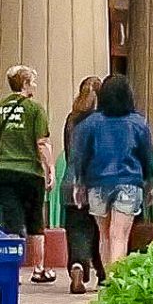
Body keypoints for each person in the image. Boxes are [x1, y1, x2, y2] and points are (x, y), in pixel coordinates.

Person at [70, 70, 153, 279]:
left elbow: (80, 155)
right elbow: (146, 155)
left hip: (97, 183)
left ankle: (108, 278)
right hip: (129, 181)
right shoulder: (138, 123)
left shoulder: (89, 123)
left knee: (104, 235)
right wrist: (150, 182)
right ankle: (116, 282)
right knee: (120, 235)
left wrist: (79, 183)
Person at [0, 63, 55, 277]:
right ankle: (38, 269)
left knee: (11, 221)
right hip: (30, 172)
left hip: (3, 170)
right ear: (24, 83)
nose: (35, 86)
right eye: (33, 81)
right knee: (35, 220)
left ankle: (11, 270)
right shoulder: (35, 109)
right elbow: (42, 142)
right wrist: (51, 169)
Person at [60, 74, 104, 292]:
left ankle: (77, 265)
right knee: (98, 230)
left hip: (70, 183)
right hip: (95, 182)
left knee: (76, 229)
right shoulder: (101, 120)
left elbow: (69, 153)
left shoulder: (72, 118)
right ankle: (102, 271)